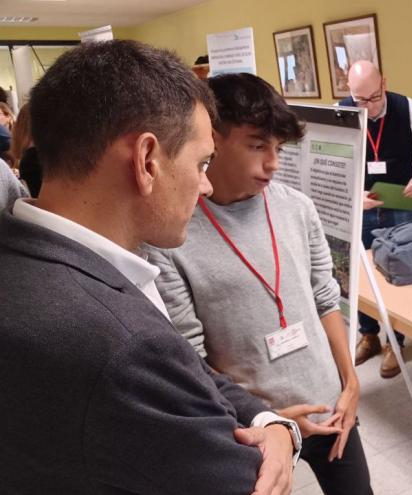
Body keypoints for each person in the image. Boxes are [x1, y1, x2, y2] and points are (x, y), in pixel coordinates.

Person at [0, 40, 304, 494]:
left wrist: (273, 423)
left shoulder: (27, 254)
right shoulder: (119, 342)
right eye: (201, 163)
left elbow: (188, 372)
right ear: (146, 161)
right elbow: (248, 482)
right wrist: (281, 439)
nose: (204, 185)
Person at [146, 73, 371, 495]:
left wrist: (350, 382)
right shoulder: (174, 234)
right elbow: (190, 353)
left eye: (278, 148)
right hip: (256, 426)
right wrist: (269, 420)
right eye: (256, 146)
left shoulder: (297, 208)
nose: (272, 163)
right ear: (213, 139)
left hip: (332, 406)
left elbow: (326, 298)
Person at [340, 60, 412, 378]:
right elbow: (330, 167)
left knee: (398, 273)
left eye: (373, 97)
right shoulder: (343, 113)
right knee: (361, 275)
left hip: (401, 204)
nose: (366, 106)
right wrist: (352, 196)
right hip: (363, 207)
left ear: (384, 84)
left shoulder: (407, 108)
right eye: (358, 99)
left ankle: (396, 342)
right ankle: (369, 335)